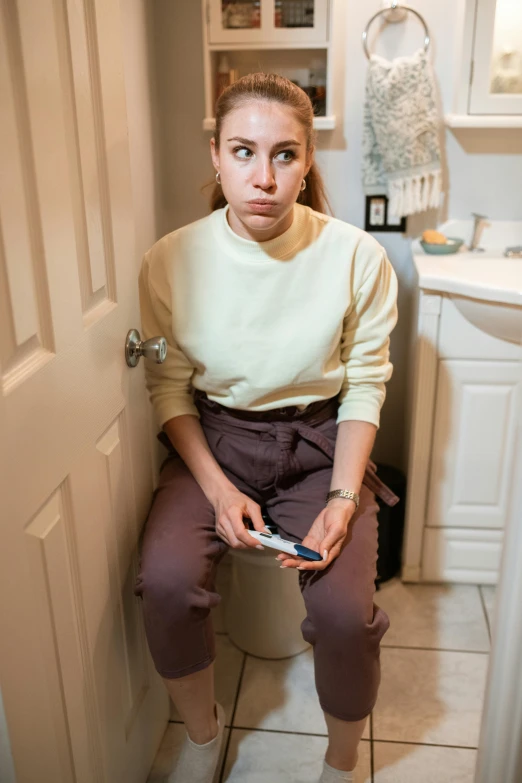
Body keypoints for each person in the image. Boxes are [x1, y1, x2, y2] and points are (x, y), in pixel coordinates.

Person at [134, 72, 399, 783]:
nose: (264, 177)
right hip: (213, 438)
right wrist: (218, 491)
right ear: (215, 156)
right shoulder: (169, 259)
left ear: (308, 160)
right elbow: (168, 388)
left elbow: (366, 384)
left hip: (320, 446)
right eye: (244, 151)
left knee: (345, 615)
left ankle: (344, 765)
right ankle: (199, 737)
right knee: (164, 581)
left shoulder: (356, 257)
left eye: (285, 154)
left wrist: (343, 499)